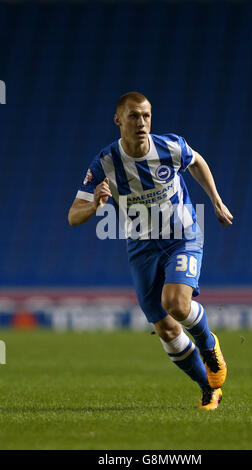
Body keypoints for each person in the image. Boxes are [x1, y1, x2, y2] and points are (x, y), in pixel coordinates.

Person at [68, 91, 233, 410]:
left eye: (146, 115)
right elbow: (73, 215)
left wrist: (215, 200)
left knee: (175, 302)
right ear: (118, 120)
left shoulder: (169, 146)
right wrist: (94, 207)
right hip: (141, 247)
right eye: (133, 116)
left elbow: (196, 160)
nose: (141, 122)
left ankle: (209, 345)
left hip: (182, 235)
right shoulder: (105, 162)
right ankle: (208, 388)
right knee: (165, 327)